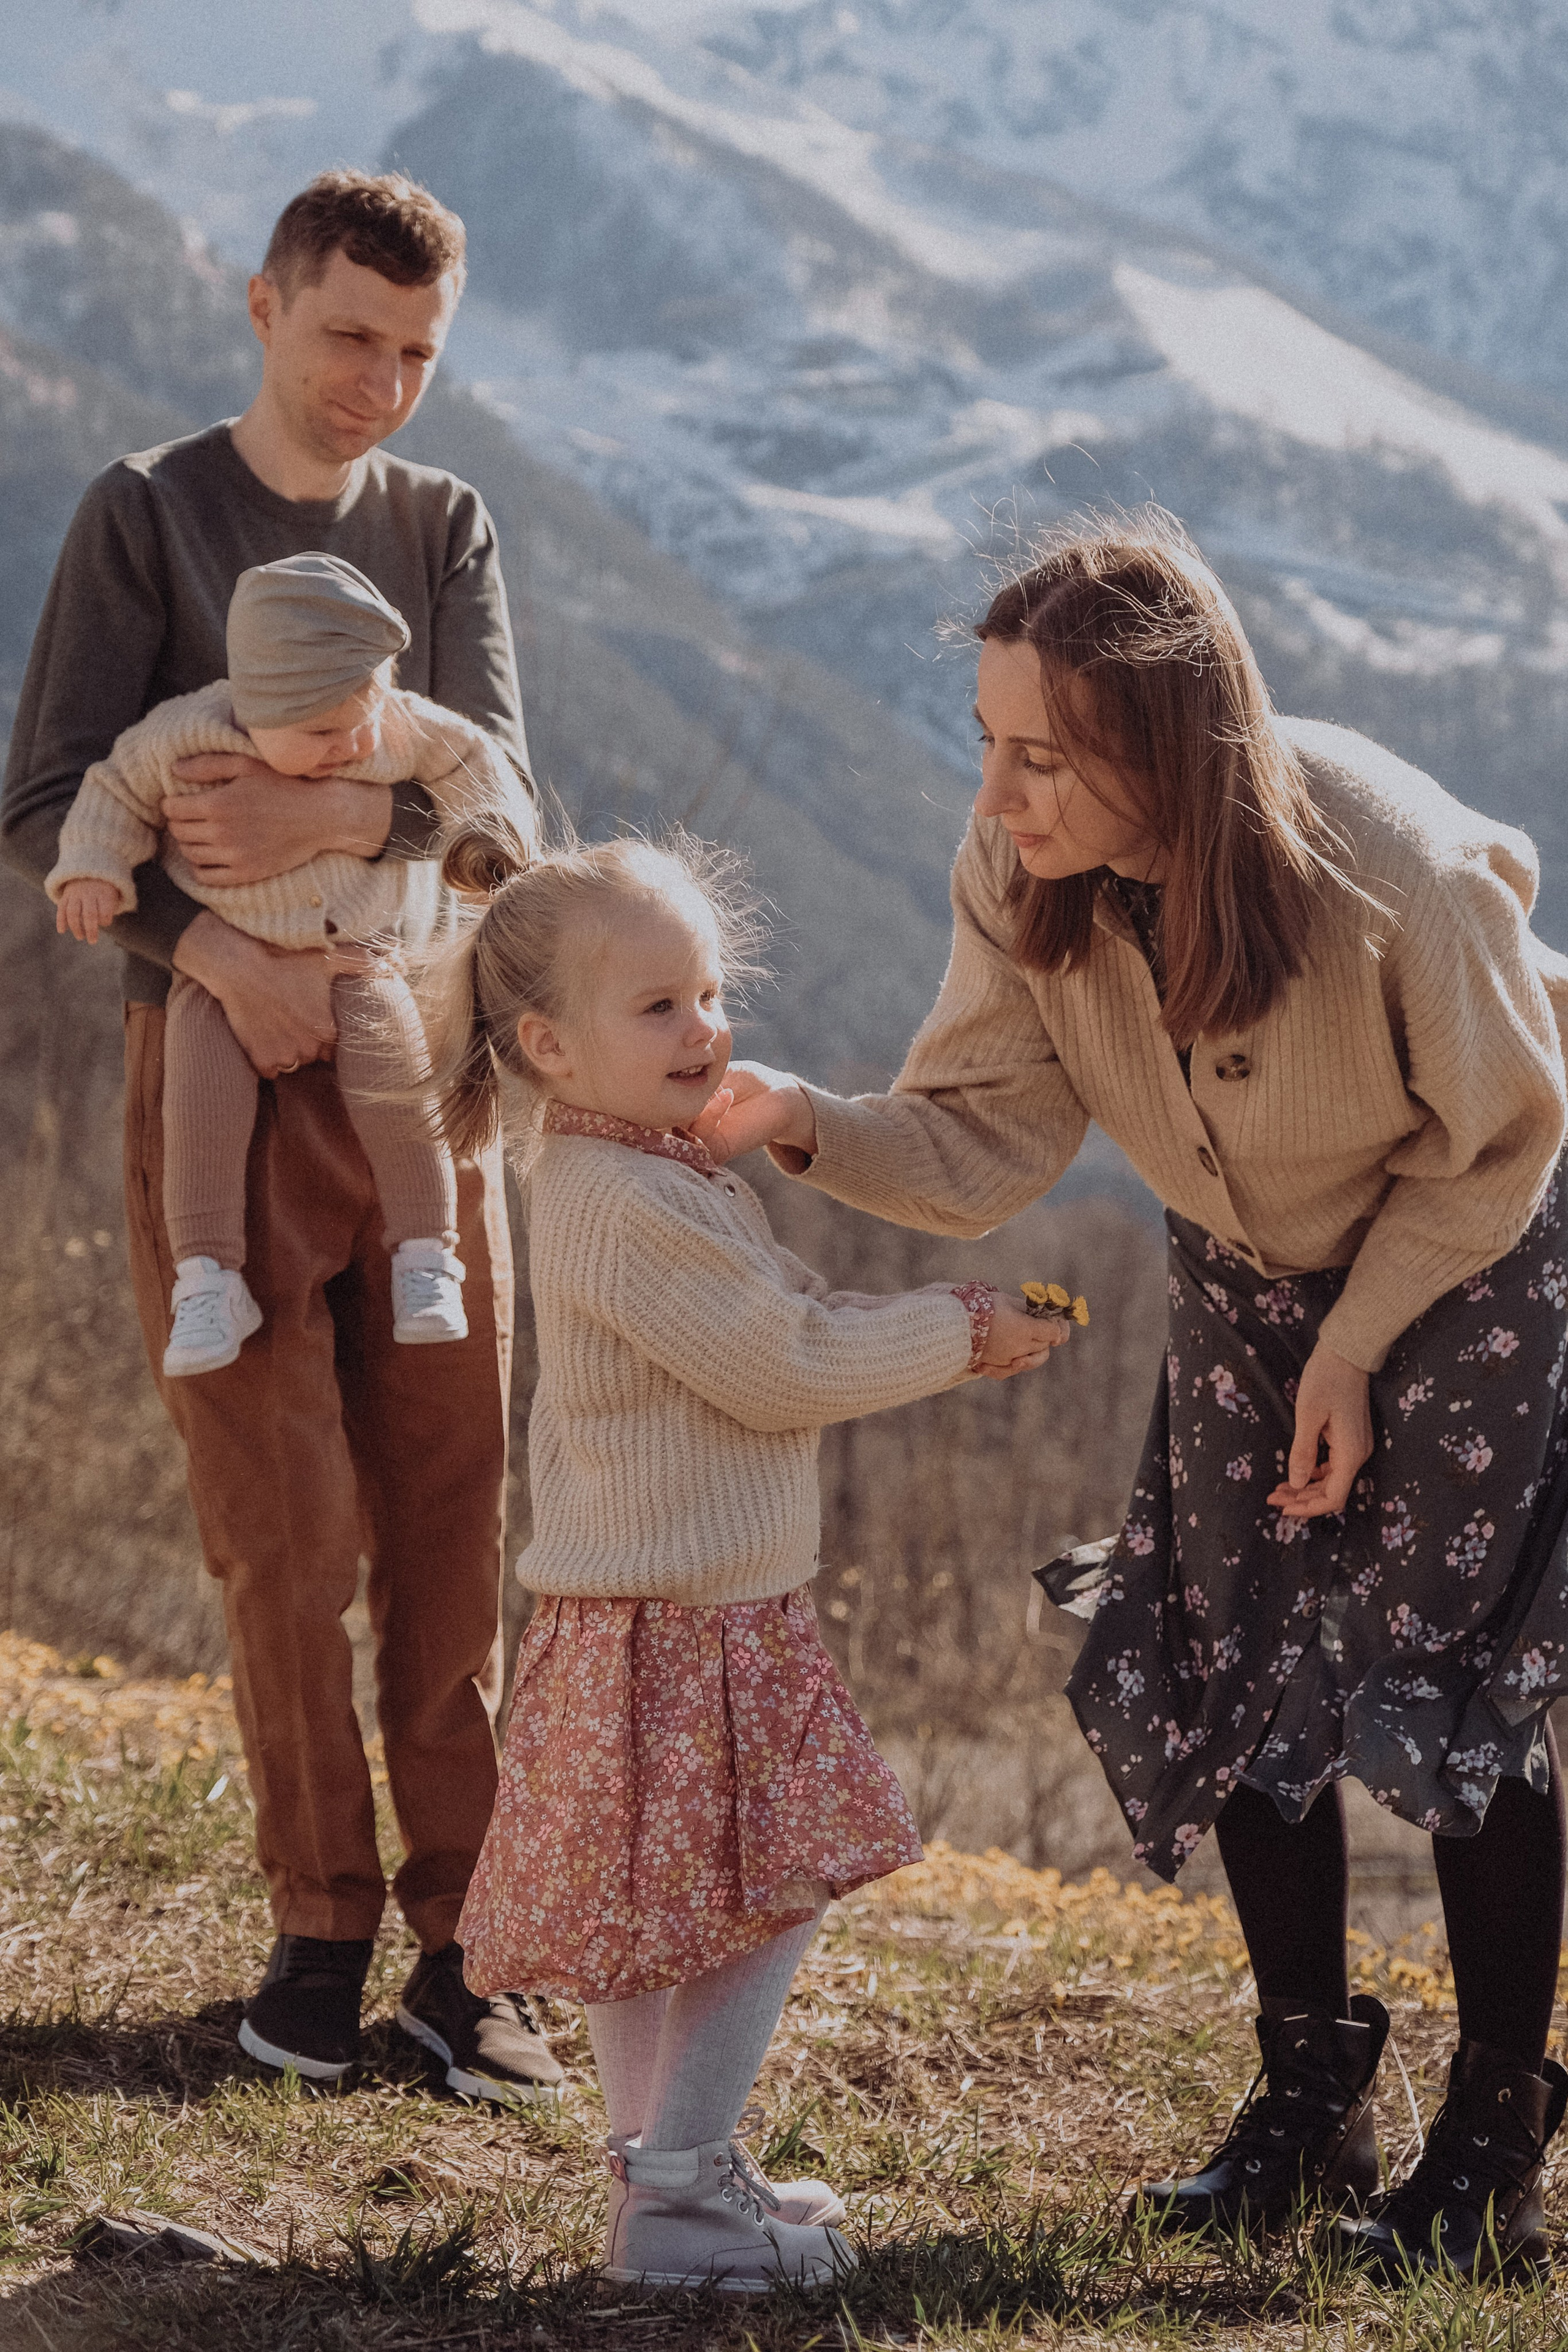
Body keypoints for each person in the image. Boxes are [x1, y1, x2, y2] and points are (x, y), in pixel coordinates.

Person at [698, 508, 1568, 2280]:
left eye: (1047, 757)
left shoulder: (1384, 866)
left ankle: (1495, 2147)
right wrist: (801, 1121)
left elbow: (1510, 1138)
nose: (1004, 795)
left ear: (1168, 751)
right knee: (1228, 1641)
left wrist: (1358, 1339)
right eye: (990, 746)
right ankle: (1311, 2106)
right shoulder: (1025, 876)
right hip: (1245, 1262)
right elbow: (979, 1137)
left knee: (1452, 1681)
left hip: (1475, 1250)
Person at [1, 169, 561, 2102]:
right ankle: (317, 1938)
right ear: (260, 304)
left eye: (418, 353)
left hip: (421, 1085)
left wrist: (349, 830)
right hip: (217, 1092)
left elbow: (504, 811)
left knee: (446, 1518)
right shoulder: (147, 514)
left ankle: (470, 1951)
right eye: (349, 337)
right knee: (286, 1536)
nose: (382, 384)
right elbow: (47, 807)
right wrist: (210, 944)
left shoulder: (446, 526)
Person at [417, 821, 1067, 2291]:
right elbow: (776, 1361)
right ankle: (681, 2200)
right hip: (688, 1614)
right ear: (548, 1046)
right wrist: (956, 1331)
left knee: (659, 1915)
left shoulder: (629, 1171)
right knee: (766, 1895)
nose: (704, 1028)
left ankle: (667, 2181)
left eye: (708, 993)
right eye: (657, 1006)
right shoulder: (628, 1204)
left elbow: (773, 1309)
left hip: (646, 1605)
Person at [49, 552, 539, 1374]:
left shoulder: (392, 721)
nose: (350, 744)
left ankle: (427, 1252)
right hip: (225, 957)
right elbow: (112, 792)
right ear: (253, 704)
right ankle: (208, 1276)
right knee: (198, 1099)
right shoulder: (184, 731)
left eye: (362, 721)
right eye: (320, 734)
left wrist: (489, 836)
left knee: (398, 1081)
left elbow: (477, 762)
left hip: (358, 953)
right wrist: (95, 868)